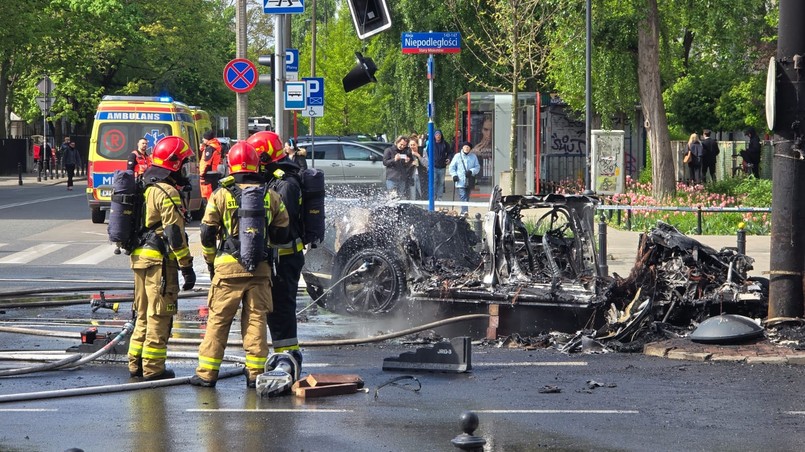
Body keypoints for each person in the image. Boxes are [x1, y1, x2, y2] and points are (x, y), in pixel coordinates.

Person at [190, 141, 290, 389]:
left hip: (227, 267)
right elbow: (282, 233)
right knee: (256, 321)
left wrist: (212, 262)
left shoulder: (221, 194)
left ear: (230, 165)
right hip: (260, 268)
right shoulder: (271, 195)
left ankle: (206, 374)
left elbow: (206, 232)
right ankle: (256, 373)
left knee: (218, 321)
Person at [127, 136, 196, 382]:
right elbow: (174, 233)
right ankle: (153, 369)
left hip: (139, 257)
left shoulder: (145, 184)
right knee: (159, 313)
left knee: (143, 312)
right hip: (159, 261)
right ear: (175, 164)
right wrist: (186, 266)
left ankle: (135, 363)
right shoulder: (166, 191)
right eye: (184, 163)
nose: (186, 169)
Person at [248, 131, 305, 389]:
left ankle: (290, 357)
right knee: (274, 310)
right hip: (278, 256)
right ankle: (283, 355)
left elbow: (284, 222)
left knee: (282, 309)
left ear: (264, 157)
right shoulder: (275, 180)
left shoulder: (285, 184)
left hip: (285, 257)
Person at [449, 141, 481, 215]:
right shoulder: (457, 156)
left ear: (470, 148)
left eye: (468, 147)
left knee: (467, 197)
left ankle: (463, 212)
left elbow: (477, 167)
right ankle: (465, 212)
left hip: (469, 181)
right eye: (465, 147)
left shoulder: (473, 156)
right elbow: (452, 167)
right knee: (463, 196)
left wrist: (471, 171)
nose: (466, 148)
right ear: (462, 147)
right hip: (460, 181)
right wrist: (454, 175)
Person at [199, 130, 223, 200]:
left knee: (208, 196)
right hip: (213, 173)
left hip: (207, 175)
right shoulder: (215, 146)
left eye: (204, 138)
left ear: (207, 139)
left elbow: (206, 163)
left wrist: (202, 175)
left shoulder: (210, 149)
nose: (203, 139)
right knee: (213, 194)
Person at [431, 130, 451, 202]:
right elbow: (427, 153)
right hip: (434, 166)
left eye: (439, 135)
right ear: (434, 136)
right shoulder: (431, 144)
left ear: (441, 135)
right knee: (434, 181)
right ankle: (433, 196)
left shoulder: (445, 144)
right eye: (436, 135)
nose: (438, 136)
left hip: (442, 166)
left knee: (441, 182)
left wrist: (448, 159)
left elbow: (449, 153)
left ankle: (439, 196)